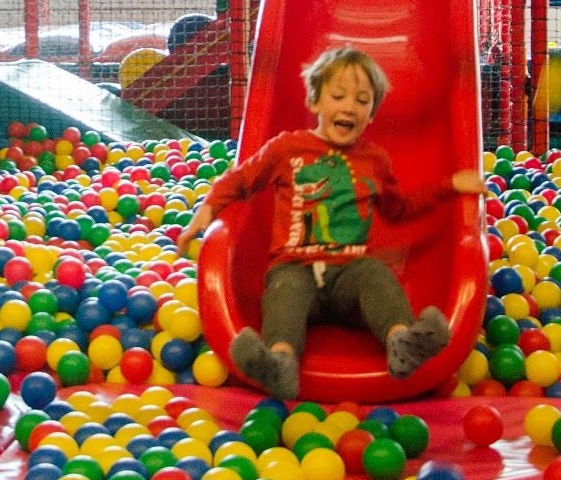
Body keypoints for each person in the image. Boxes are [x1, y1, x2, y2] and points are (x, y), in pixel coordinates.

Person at [177, 47, 487, 402]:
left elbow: (399, 209)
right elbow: (241, 179)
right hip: (294, 267)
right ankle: (280, 362)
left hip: (348, 273)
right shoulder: (287, 149)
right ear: (315, 102)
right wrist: (207, 209)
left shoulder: (375, 160)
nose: (349, 107)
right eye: (338, 96)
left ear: (371, 115)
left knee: (375, 274)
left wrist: (448, 186)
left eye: (362, 101)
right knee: (284, 293)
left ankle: (402, 341)